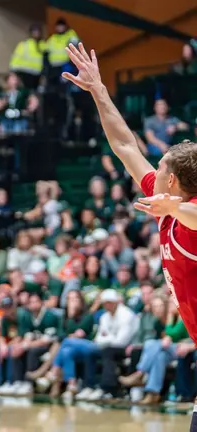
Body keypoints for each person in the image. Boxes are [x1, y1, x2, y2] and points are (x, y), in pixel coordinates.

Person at [64, 41, 197, 413]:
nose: (156, 169)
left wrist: (177, 207)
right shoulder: (165, 203)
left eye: (163, 167)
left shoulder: (186, 213)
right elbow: (125, 145)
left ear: (173, 182)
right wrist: (99, 91)